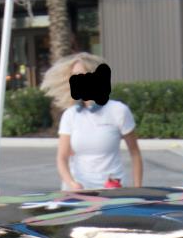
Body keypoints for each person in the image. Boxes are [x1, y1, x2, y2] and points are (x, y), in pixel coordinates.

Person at [53, 53, 143, 193]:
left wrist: (138, 189)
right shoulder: (70, 115)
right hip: (78, 192)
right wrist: (71, 183)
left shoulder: (119, 111)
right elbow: (62, 157)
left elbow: (135, 153)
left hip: (111, 190)